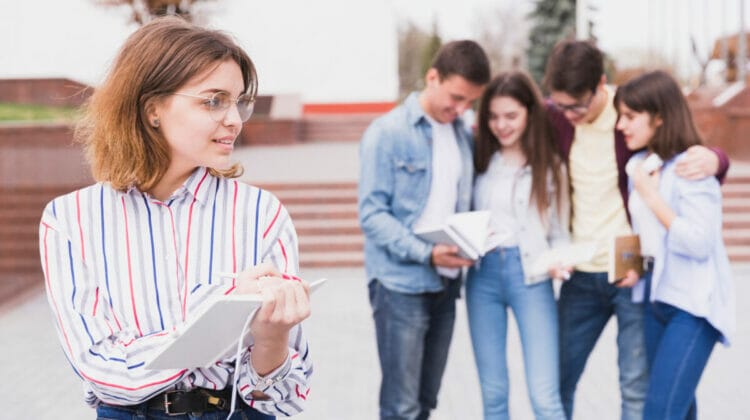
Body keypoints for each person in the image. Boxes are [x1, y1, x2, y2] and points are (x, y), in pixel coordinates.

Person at [39, 17, 312, 419]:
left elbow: (288, 394)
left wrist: (272, 341)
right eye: (213, 100)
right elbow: (102, 370)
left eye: (239, 101)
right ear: (152, 109)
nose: (235, 119)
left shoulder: (261, 215)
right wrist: (220, 313)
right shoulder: (70, 221)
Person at [542, 39, 730, 420]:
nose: (568, 115)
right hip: (598, 280)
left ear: (600, 84)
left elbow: (687, 162)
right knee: (557, 380)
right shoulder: (563, 119)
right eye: (560, 106)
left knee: (644, 394)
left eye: (576, 105)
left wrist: (716, 159)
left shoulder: (631, 123)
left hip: (650, 286)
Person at [358, 40, 490, 420]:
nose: (462, 109)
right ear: (433, 77)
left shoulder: (461, 132)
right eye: (456, 97)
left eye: (470, 102)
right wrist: (426, 252)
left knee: (427, 400)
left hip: (447, 284)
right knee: (401, 406)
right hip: (400, 284)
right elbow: (372, 215)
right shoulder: (387, 132)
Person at [614, 70, 735, 420]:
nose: (622, 125)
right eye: (621, 115)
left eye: (631, 116)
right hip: (655, 297)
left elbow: (699, 243)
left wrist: (653, 199)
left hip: (693, 305)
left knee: (660, 412)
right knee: (680, 410)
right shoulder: (639, 165)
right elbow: (643, 232)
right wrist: (631, 266)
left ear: (661, 116)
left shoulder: (693, 168)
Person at [467, 71, 568, 420]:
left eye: (511, 116)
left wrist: (558, 262)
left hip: (533, 278)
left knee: (545, 397)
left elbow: (559, 232)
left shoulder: (551, 167)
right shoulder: (479, 161)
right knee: (494, 394)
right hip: (483, 278)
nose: (501, 125)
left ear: (530, 113)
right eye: (493, 116)